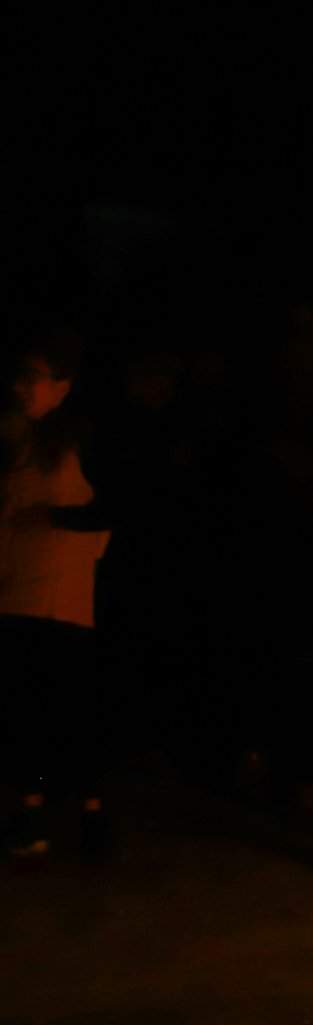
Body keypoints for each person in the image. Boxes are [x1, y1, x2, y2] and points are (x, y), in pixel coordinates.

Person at [0, 339, 115, 864]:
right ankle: (32, 810)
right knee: (24, 709)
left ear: (63, 386)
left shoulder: (82, 441)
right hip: (15, 590)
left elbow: (116, 507)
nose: (22, 386)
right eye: (19, 376)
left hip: (65, 595)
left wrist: (54, 520)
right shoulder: (16, 440)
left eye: (34, 376)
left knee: (69, 709)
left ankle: (92, 812)